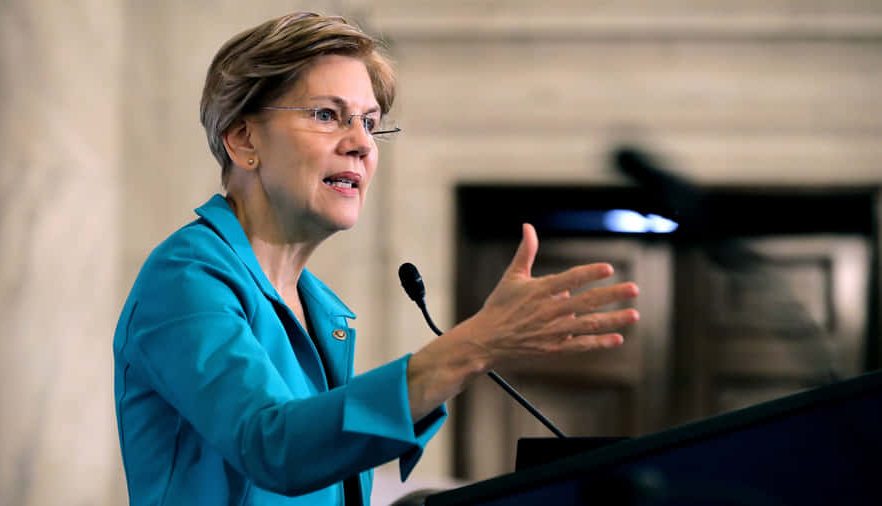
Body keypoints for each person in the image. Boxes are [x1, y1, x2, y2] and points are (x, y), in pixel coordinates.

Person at [113, 11, 640, 506]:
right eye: (327, 115)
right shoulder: (186, 278)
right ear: (243, 138)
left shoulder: (320, 310)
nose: (361, 144)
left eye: (370, 122)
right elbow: (274, 446)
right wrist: (473, 342)